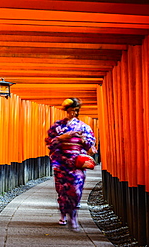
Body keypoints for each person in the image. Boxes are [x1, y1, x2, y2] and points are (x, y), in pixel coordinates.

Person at [45, 98, 96, 230]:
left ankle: (73, 215)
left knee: (76, 189)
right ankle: (63, 214)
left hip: (76, 162)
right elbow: (50, 143)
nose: (73, 113)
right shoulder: (57, 126)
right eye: (70, 110)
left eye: (75, 110)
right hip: (61, 162)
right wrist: (61, 138)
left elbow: (91, 144)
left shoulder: (84, 127)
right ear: (66, 111)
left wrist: (84, 140)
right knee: (62, 190)